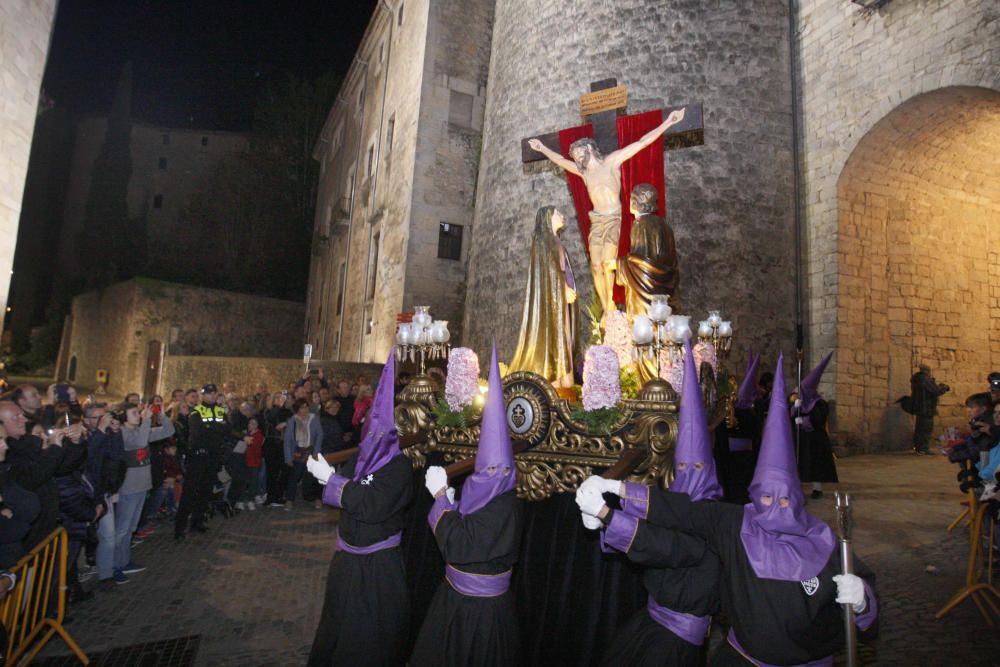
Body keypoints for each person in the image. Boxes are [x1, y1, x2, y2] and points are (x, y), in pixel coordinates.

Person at [579, 354, 878, 665]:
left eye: (785, 500)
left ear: (798, 499)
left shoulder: (823, 541)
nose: (774, 508)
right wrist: (615, 494)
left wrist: (862, 600)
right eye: (765, 499)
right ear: (753, 497)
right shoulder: (736, 524)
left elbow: (668, 544)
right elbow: (680, 516)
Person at [577, 339, 721, 665]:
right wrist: (607, 512)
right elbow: (653, 517)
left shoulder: (713, 517)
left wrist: (605, 515)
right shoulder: (675, 500)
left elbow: (665, 545)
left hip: (676, 640)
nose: (687, 472)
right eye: (682, 466)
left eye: (696, 468)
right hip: (653, 621)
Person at [411, 346, 523, 666]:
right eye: (486, 470)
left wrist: (441, 497)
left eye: (497, 472)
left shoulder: (505, 505)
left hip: (482, 612)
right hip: (453, 599)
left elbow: (460, 546)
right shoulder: (480, 488)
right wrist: (452, 498)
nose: (490, 476)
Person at [305, 353, 414, 666]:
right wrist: (321, 475)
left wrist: (335, 482)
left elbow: (372, 506)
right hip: (347, 561)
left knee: (367, 640)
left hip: (377, 569)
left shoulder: (398, 468)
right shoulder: (361, 459)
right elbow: (335, 492)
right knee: (336, 630)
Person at [528, 108, 686, 313]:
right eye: (574, 156)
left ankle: (611, 304)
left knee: (607, 264)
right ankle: (607, 308)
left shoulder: (612, 162)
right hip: (597, 220)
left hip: (613, 218)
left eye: (577, 153)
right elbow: (560, 161)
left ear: (589, 148)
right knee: (595, 266)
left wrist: (668, 123)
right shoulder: (583, 173)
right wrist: (542, 149)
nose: (576, 158)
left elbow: (641, 143)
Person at [508, 206, 579, 388]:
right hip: (552, 298)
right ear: (547, 218)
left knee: (564, 335)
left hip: (562, 298)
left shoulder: (556, 242)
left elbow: (564, 270)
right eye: (557, 213)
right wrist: (563, 288)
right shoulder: (543, 241)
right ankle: (553, 381)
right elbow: (551, 269)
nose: (562, 215)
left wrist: (570, 289)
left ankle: (565, 382)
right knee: (553, 335)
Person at [115, 403, 174, 582]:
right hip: (129, 488)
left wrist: (162, 416)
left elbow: (168, 431)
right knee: (122, 529)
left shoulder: (142, 430)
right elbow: (140, 442)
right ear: (124, 418)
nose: (138, 415)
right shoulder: (123, 434)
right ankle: (115, 566)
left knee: (131, 528)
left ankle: (124, 561)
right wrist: (147, 420)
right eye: (133, 413)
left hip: (142, 487)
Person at [616, 183, 680, 319]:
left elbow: (640, 265)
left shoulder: (640, 224)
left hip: (645, 295)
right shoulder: (665, 226)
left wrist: (619, 264)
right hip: (665, 290)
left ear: (635, 202)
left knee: (645, 332)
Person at [175, 384, 228, 540]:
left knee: (205, 492)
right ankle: (180, 528)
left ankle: (197, 523)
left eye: (213, 393)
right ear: (203, 395)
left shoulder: (220, 410)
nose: (211, 396)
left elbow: (227, 429)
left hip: (213, 457)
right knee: (189, 493)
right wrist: (216, 428)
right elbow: (198, 434)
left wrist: (212, 427)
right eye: (208, 394)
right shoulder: (197, 411)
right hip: (198, 457)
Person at [716, 352, 761, 504]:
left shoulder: (749, 413)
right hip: (728, 460)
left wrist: (737, 424)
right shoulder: (721, 411)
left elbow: (753, 436)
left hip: (744, 461)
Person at [793, 352, 838, 499]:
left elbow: (818, 419)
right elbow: (792, 415)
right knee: (802, 462)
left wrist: (803, 421)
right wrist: (794, 409)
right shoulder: (800, 402)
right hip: (803, 438)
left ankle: (817, 488)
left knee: (815, 464)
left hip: (816, 438)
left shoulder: (819, 403)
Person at [282, 399, 323, 509]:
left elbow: (319, 435)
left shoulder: (314, 419)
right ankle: (289, 500)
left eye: (306, 407)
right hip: (298, 451)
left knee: (315, 476)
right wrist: (288, 457)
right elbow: (288, 440)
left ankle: (317, 499)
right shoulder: (292, 421)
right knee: (294, 476)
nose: (305, 410)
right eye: (302, 407)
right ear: (297, 409)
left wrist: (316, 452)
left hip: (311, 451)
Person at [910, 364, 949, 454]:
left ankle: (919, 448)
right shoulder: (925, 380)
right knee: (926, 428)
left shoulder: (916, 380)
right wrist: (944, 387)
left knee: (920, 428)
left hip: (920, 408)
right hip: (926, 408)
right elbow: (936, 391)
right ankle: (923, 449)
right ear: (927, 371)